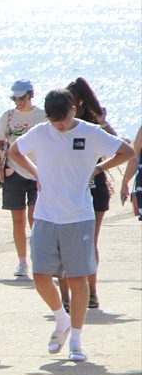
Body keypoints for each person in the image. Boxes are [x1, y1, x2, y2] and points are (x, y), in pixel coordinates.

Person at [9, 89, 133, 362]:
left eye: (62, 121)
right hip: (45, 215)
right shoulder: (41, 131)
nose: (59, 126)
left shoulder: (91, 132)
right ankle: (61, 318)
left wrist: (99, 169)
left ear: (73, 111)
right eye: (54, 122)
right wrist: (36, 172)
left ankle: (76, 340)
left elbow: (127, 150)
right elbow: (15, 150)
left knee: (77, 279)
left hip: (78, 215)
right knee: (41, 276)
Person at [66, 78, 118, 310]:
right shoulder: (63, 123)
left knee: (88, 243)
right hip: (69, 186)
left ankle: (92, 292)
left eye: (72, 100)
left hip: (94, 185)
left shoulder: (94, 124)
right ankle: (73, 295)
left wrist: (98, 169)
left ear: (81, 102)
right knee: (67, 242)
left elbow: (121, 146)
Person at [0, 80, 47, 279]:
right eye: (14, 98)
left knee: (36, 218)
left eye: (21, 98)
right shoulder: (8, 116)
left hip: (38, 173)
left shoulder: (43, 116)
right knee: (18, 220)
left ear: (31, 95)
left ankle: (38, 259)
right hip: (14, 173)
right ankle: (22, 261)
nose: (18, 102)